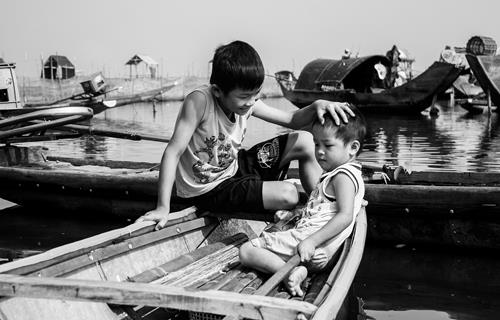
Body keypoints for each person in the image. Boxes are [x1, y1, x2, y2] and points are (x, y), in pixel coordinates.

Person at [136, 40, 354, 229]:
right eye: (244, 96)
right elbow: (173, 152)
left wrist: (317, 105)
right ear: (218, 91)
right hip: (209, 189)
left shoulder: (245, 103)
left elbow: (291, 120)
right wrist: (162, 208)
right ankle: (310, 209)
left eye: (255, 94)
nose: (251, 102)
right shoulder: (200, 102)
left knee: (305, 140)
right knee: (289, 194)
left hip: (234, 167)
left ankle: (322, 202)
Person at [239, 107, 366, 296]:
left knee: (247, 251)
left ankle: (291, 272)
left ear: (353, 148)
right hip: (319, 251)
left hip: (308, 245)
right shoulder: (353, 175)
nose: (320, 152)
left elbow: (345, 216)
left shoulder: (342, 177)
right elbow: (344, 208)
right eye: (316, 144)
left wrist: (311, 242)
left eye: (328, 146)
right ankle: (300, 268)